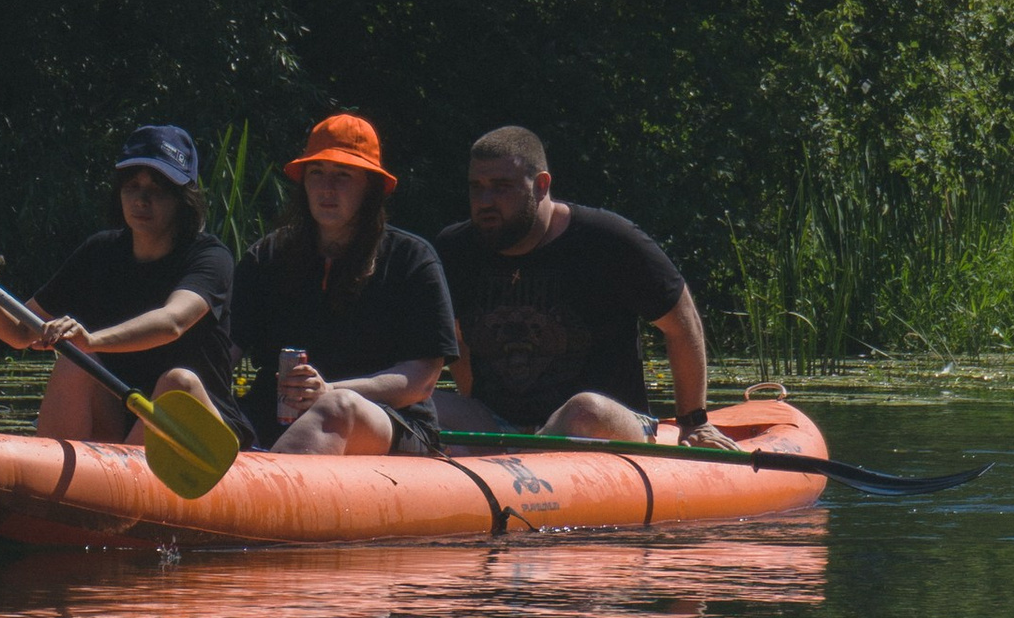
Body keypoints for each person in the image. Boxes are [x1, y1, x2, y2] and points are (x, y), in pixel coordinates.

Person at [155, 113, 455, 456]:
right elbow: (223, 355)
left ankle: (268, 486)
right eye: (316, 173)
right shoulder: (268, 256)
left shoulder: (412, 259)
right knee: (179, 383)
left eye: (343, 175)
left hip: (387, 422)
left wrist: (329, 390)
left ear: (370, 187)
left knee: (338, 407)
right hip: (268, 420)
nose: (327, 188)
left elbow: (421, 381)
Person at [434, 125, 722, 444]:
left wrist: (693, 422)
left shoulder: (607, 239)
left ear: (541, 185)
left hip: (603, 423)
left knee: (584, 410)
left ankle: (521, 458)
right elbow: (455, 335)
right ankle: (510, 455)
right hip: (499, 423)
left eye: (501, 187)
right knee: (415, 403)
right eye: (476, 188)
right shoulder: (455, 249)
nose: (485, 201)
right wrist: (471, 398)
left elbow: (682, 322)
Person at [0, 125, 236, 443]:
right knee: (75, 361)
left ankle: (124, 471)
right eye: (132, 186)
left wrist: (91, 340)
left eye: (158, 189)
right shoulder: (99, 252)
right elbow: (22, 332)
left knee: (178, 383)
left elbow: (173, 322)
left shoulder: (211, 257)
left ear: (182, 199)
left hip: (202, 427)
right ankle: (60, 467)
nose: (141, 200)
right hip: (121, 423)